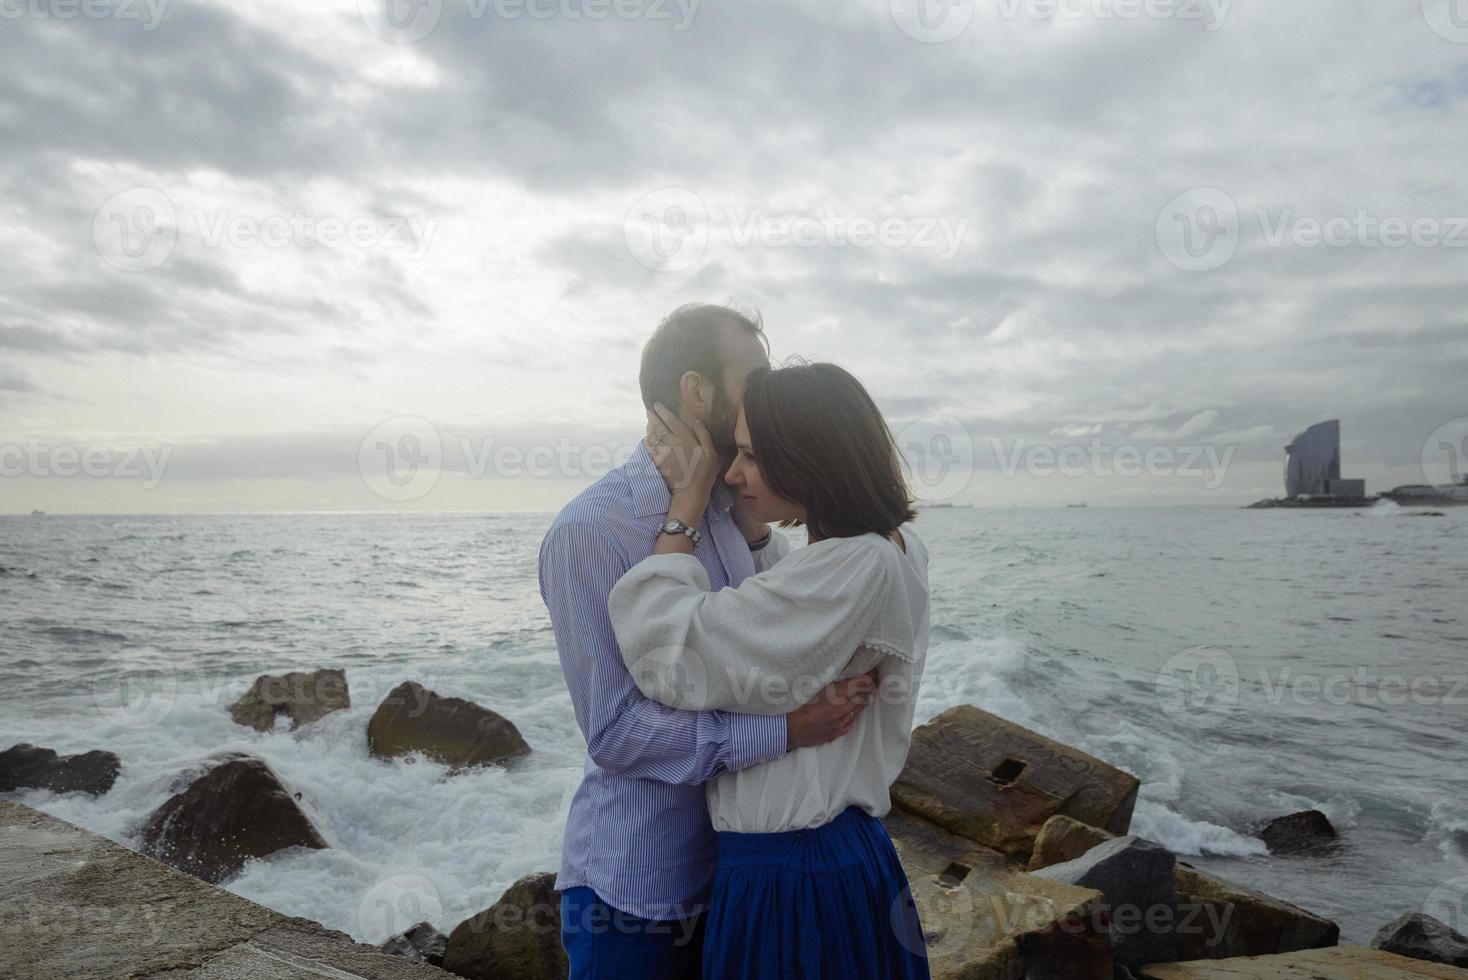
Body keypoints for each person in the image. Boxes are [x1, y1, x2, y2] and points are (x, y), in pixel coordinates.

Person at [538, 305, 878, 979]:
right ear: (698, 392)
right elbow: (614, 731)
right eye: (755, 376)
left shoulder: (733, 510)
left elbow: (780, 642)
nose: (771, 391)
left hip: (736, 874)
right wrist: (783, 731)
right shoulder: (590, 531)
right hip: (638, 892)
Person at [609, 360, 933, 980]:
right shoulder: (891, 548)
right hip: (827, 857)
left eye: (752, 457)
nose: (732, 473)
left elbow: (669, 650)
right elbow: (792, 611)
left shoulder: (854, 567)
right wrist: (754, 534)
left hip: (795, 874)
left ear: (809, 460)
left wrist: (685, 507)